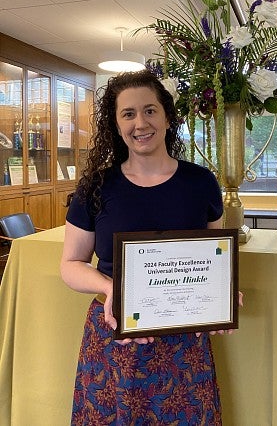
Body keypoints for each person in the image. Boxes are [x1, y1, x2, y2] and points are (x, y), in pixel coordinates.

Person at [60, 69, 237, 425]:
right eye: (128, 113)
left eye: (150, 110)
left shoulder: (201, 183)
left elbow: (213, 254)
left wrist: (223, 291)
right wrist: (111, 288)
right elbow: (70, 264)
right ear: (116, 124)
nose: (140, 122)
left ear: (168, 117)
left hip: (184, 340)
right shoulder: (96, 186)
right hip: (115, 337)